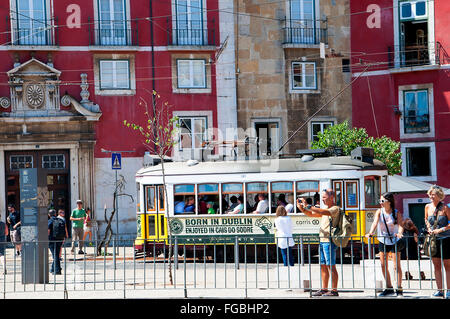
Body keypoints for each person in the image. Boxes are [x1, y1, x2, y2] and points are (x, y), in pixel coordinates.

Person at [297, 189, 340, 297]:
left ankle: (334, 290)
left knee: (331, 265)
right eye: (322, 197)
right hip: (323, 240)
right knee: (323, 266)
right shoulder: (326, 209)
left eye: (324, 197)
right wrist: (302, 208)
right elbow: (312, 214)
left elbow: (320, 212)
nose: (322, 200)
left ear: (331, 198)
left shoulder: (335, 209)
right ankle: (324, 289)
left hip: (329, 241)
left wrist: (307, 205)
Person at [366, 192, 405, 297]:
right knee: (383, 265)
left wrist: (400, 233)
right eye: (380, 201)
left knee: (396, 266)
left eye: (382, 201)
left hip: (394, 240)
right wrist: (371, 232)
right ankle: (388, 287)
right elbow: (374, 223)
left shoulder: (396, 212)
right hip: (383, 240)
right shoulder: (379, 211)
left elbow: (401, 224)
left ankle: (399, 288)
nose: (381, 203)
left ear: (389, 202)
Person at [424, 185, 450, 299]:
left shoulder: (445, 208)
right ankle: (439, 290)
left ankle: (448, 291)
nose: (430, 196)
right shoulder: (427, 207)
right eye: (429, 194)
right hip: (434, 240)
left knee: (447, 266)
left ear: (439, 196)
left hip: (445, 239)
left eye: (433, 194)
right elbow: (426, 219)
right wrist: (429, 228)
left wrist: (441, 229)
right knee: (436, 266)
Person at [48, 209, 65, 275]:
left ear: (49, 215)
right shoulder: (61, 220)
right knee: (56, 255)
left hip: (52, 240)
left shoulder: (49, 221)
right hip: (60, 239)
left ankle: (57, 270)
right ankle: (52, 269)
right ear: (55, 214)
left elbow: (48, 231)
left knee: (55, 255)